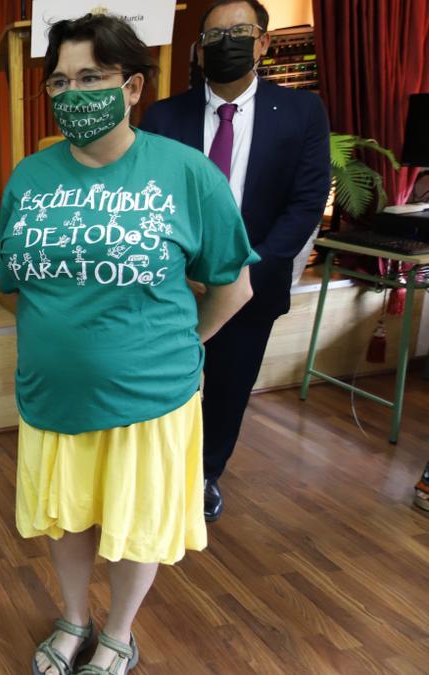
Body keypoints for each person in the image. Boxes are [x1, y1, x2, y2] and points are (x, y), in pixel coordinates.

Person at [0, 14, 259, 675]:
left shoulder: (187, 173)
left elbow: (234, 286)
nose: (72, 93)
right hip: (52, 394)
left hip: (151, 395)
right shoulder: (28, 177)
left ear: (133, 86)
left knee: (137, 519)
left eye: (91, 77)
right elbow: (11, 280)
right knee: (69, 516)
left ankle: (118, 631)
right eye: (59, 81)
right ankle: (74, 616)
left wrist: (179, 343)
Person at [141, 0, 331, 522]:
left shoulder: (301, 112)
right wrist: (179, 269)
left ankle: (205, 474)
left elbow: (306, 202)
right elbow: (148, 197)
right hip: (173, 282)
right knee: (163, 382)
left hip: (253, 281)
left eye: (239, 32)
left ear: (263, 42)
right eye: (214, 36)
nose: (226, 43)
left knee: (229, 386)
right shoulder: (163, 115)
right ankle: (156, 476)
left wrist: (246, 270)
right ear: (199, 50)